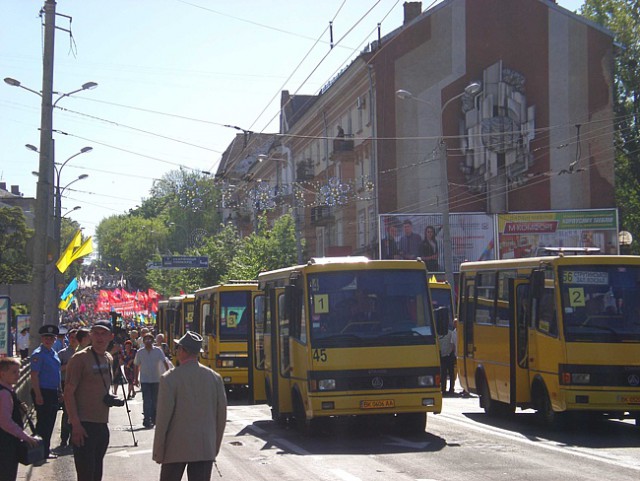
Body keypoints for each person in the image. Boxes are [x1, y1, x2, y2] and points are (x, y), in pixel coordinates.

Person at [153, 331, 227, 481]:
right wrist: (214, 447)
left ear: (182, 350)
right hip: (204, 447)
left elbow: (162, 419)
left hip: (175, 447)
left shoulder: (169, 378)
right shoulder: (215, 378)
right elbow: (221, 418)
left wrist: (158, 451)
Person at [64, 321, 118, 481]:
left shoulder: (108, 358)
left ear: (111, 337)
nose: (99, 337)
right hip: (83, 424)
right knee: (86, 474)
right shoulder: (79, 359)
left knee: (96, 474)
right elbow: (68, 393)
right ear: (90, 335)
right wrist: (75, 424)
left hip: (102, 423)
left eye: (104, 333)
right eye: (96, 333)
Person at [0, 357, 41, 481]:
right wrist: (25, 437)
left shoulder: (8, 390)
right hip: (5, 444)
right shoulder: (4, 393)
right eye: (14, 372)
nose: (18, 375)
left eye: (18, 371)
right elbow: (5, 422)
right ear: (2, 373)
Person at [30, 324, 61, 460]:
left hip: (53, 391)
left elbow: (57, 373)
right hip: (43, 391)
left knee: (50, 422)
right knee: (43, 423)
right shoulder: (38, 354)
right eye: (45, 338)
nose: (48, 340)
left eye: (51, 338)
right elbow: (34, 375)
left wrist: (59, 390)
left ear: (55, 339)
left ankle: (45, 450)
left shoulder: (53, 353)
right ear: (42, 339)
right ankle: (39, 451)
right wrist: (38, 394)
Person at [134, 332, 172, 428]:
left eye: (150, 339)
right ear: (143, 341)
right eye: (146, 339)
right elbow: (136, 365)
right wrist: (135, 379)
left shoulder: (158, 351)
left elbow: (165, 362)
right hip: (145, 380)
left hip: (156, 379)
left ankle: (154, 418)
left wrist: (169, 375)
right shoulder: (140, 352)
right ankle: (147, 419)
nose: (148, 341)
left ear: (153, 340)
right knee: (147, 400)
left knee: (155, 400)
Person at [57, 328, 79, 449]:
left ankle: (74, 436)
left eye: (76, 337)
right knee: (67, 412)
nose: (73, 340)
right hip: (66, 384)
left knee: (78, 412)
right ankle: (64, 439)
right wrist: (69, 364)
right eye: (71, 337)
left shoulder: (84, 353)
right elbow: (57, 370)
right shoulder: (63, 353)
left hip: (80, 386)